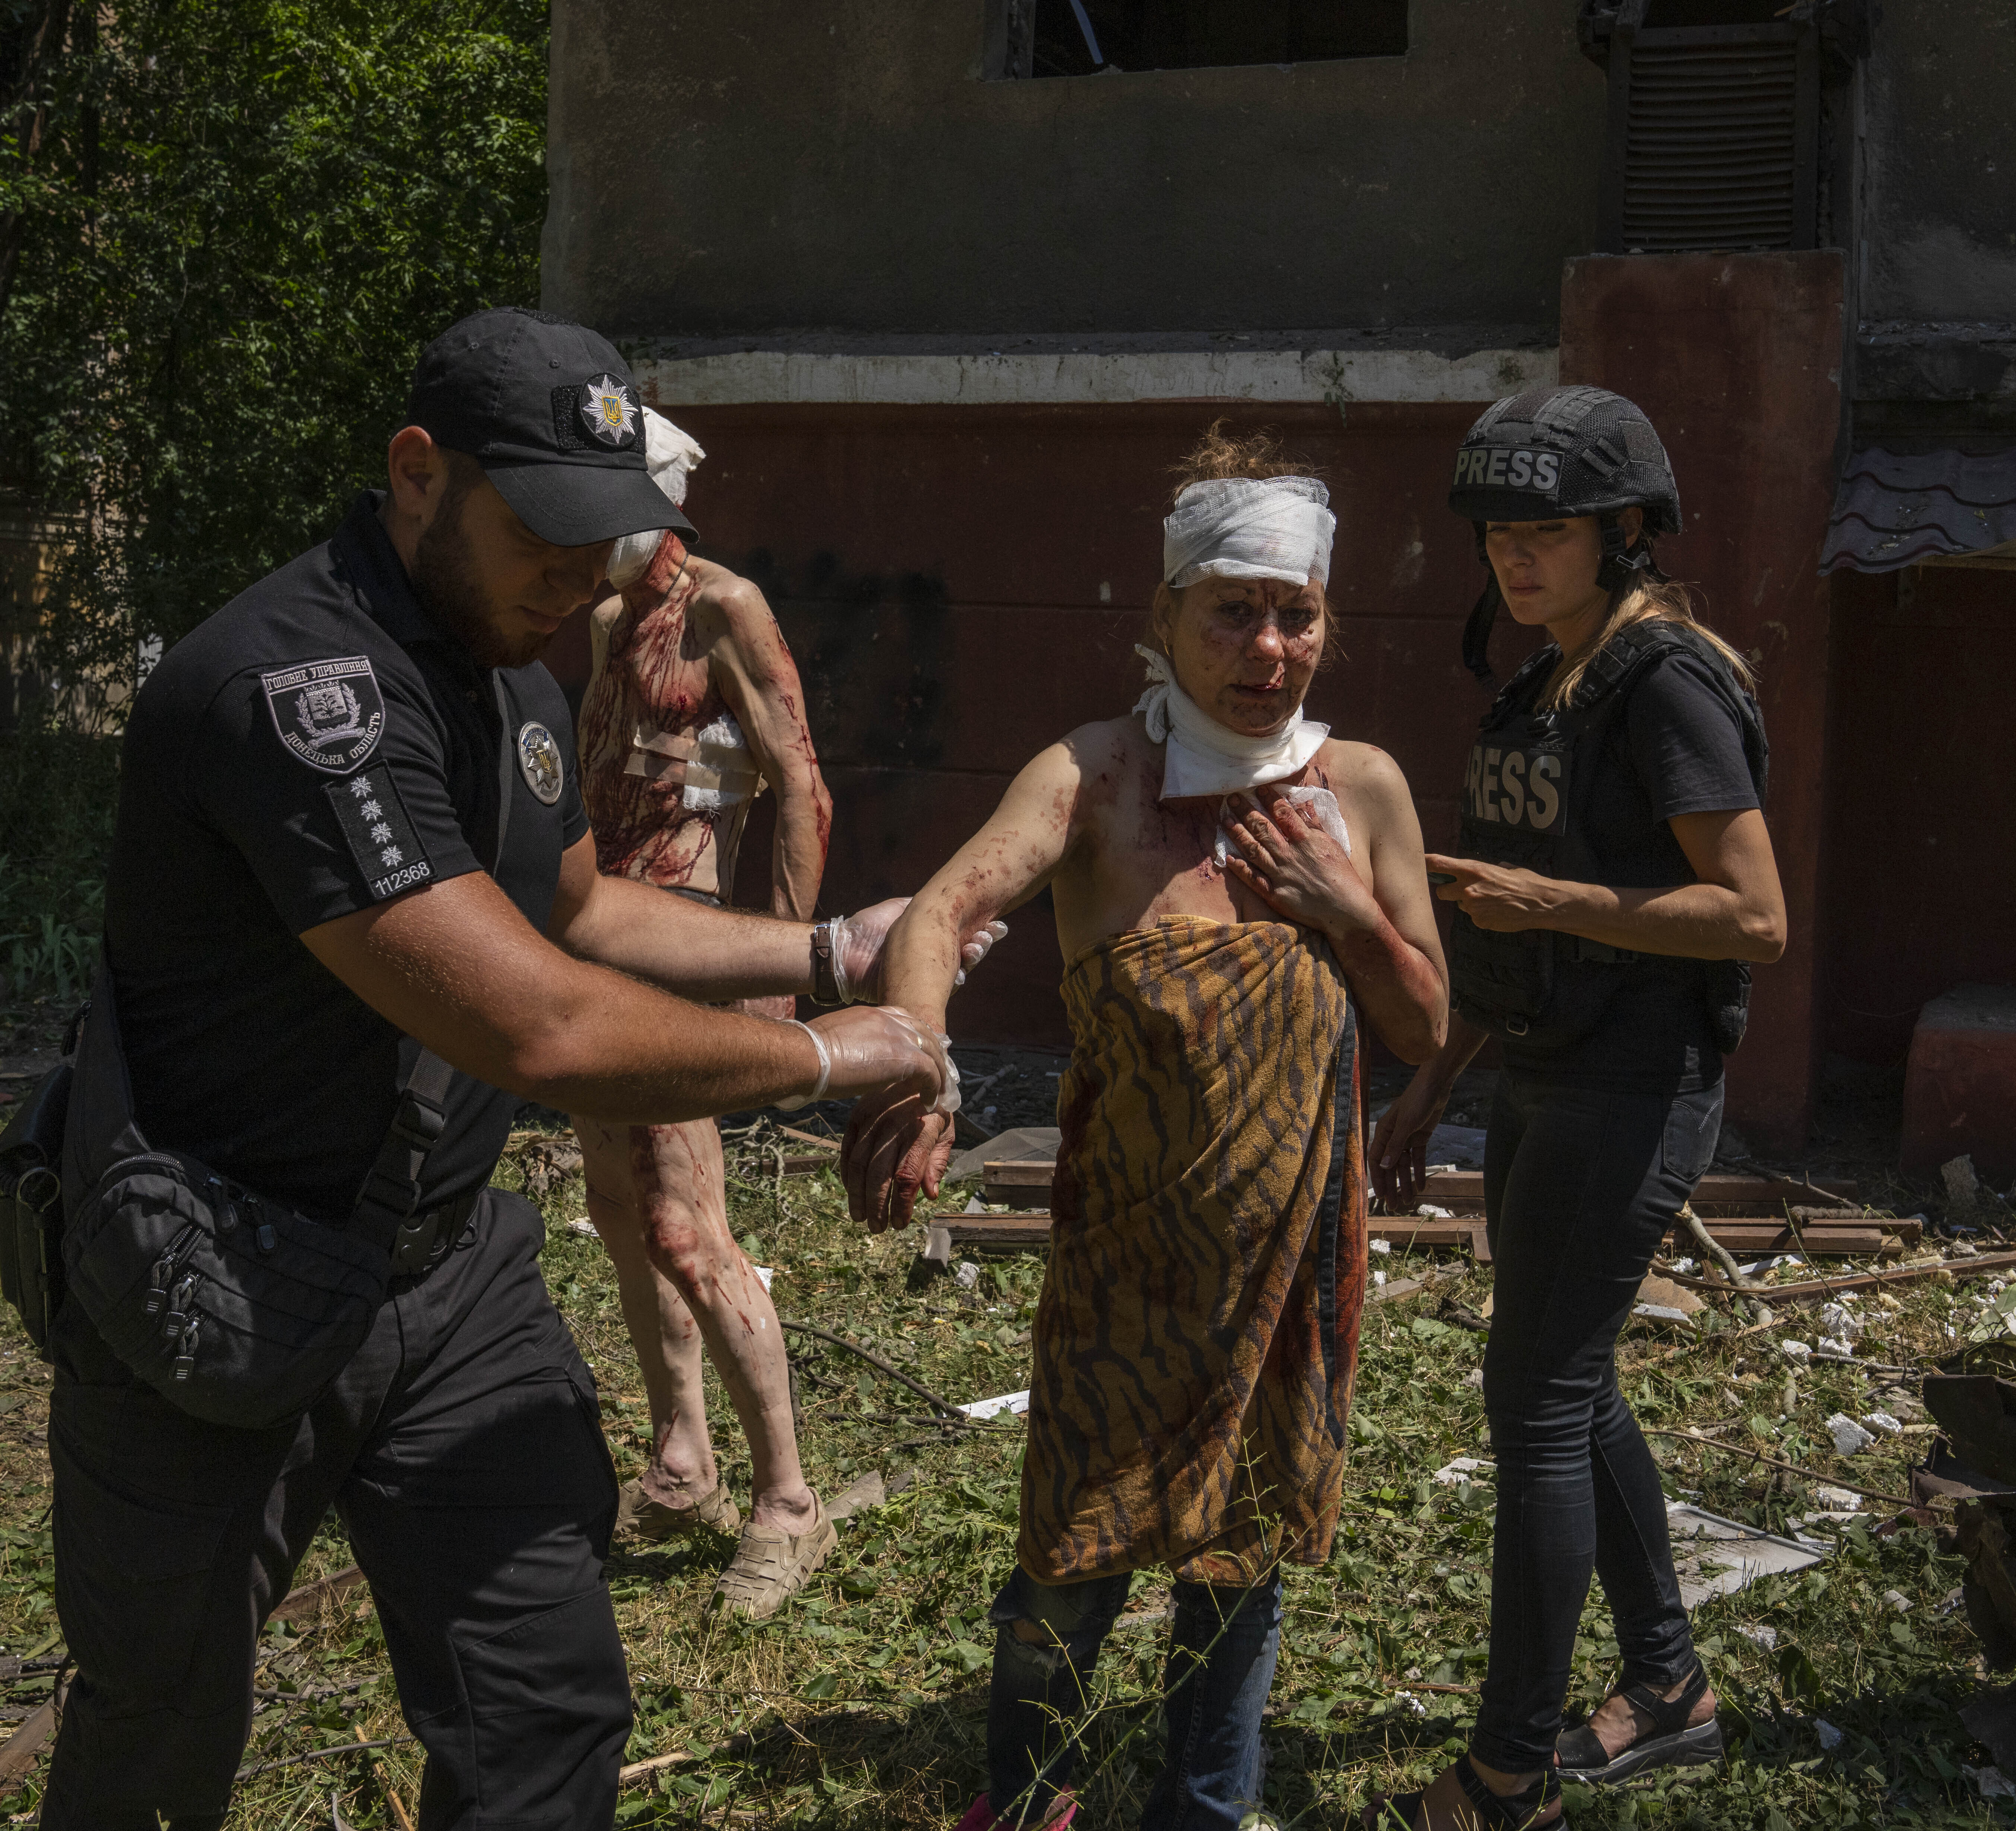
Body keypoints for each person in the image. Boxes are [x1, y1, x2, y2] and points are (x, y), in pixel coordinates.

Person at [42, 307, 961, 1831]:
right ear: (417, 472)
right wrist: (818, 1053)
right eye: (542, 531)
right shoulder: (294, 692)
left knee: (544, 1698)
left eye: (606, 542)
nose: (576, 577)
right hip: (223, 1268)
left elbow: (583, 909)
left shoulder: (513, 673)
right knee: (160, 1722)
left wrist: (821, 950)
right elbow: (539, 1022)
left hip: (446, 1271)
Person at [844, 427, 1451, 1831]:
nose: (1267, 644)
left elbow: (1422, 1026)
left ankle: (1204, 1804)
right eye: (1231, 609)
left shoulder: (1357, 791)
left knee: (1241, 1559)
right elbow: (939, 912)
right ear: (1163, 616)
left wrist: (1344, 910)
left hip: (1284, 1271)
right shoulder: (1097, 774)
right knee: (1070, 1547)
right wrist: (920, 1070)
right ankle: (1032, 1791)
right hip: (1123, 1259)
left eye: (1295, 614)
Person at [1367, 386, 1786, 1831]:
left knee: (1536, 1403)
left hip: (1633, 1086)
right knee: (1568, 1382)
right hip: (1543, 1070)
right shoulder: (1543, 682)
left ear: (1622, 531)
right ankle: (1665, 1687)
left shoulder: (1661, 679)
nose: (1513, 557)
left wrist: (1559, 898)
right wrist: (1432, 1083)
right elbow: (1503, 921)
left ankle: (1510, 1770)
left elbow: (1752, 914)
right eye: (1497, 532)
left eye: (1544, 529)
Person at [569, 406, 875, 1616]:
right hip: (596, 941)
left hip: (681, 939)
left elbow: (799, 780)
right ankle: (682, 1455)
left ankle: (789, 1502)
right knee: (617, 1206)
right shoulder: (604, 620)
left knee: (688, 1223)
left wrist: (783, 963)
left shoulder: (723, 609)